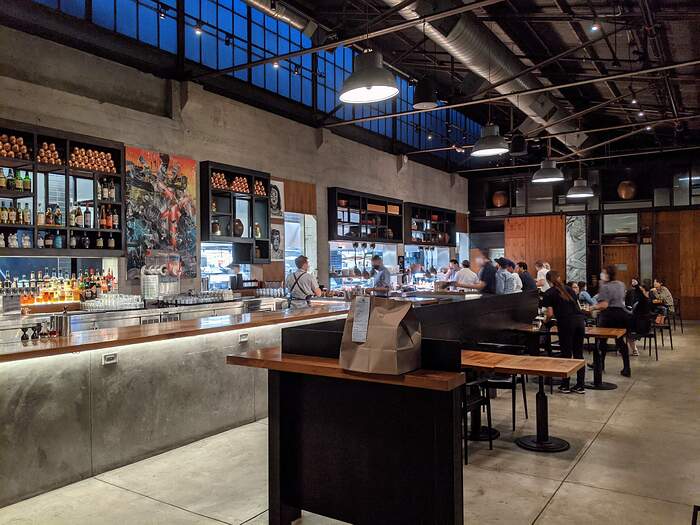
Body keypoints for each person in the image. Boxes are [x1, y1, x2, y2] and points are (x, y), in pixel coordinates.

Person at [542, 270, 586, 393]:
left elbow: (550, 314)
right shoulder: (570, 289)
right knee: (578, 353)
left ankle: (565, 385)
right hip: (579, 321)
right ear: (559, 277)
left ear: (548, 281)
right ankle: (580, 385)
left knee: (566, 354)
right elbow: (577, 305)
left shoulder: (549, 293)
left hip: (566, 323)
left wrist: (545, 321)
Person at [591, 265, 631, 377]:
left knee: (602, 341)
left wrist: (592, 307)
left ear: (607, 274)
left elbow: (604, 304)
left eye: (603, 272)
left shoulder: (605, 287)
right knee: (620, 341)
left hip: (608, 315)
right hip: (621, 314)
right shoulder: (621, 284)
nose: (601, 274)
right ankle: (627, 368)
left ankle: (600, 366)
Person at [628, 282, 653, 356]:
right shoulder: (648, 299)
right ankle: (628, 349)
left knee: (624, 331)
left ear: (645, 291)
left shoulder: (644, 300)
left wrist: (636, 285)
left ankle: (632, 350)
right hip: (644, 325)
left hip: (641, 326)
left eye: (641, 291)